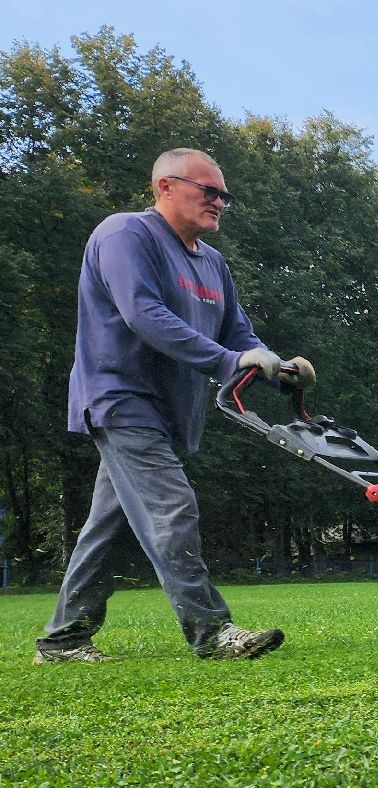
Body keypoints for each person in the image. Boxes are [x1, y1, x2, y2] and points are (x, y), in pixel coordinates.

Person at [33, 148, 317, 663]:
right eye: (208, 191)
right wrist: (230, 361)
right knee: (172, 506)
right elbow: (143, 314)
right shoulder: (125, 236)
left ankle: (62, 639)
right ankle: (212, 632)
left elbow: (238, 336)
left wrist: (278, 368)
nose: (220, 202)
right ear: (165, 185)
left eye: (224, 195)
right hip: (119, 397)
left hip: (171, 411)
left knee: (110, 525)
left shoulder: (212, 264)